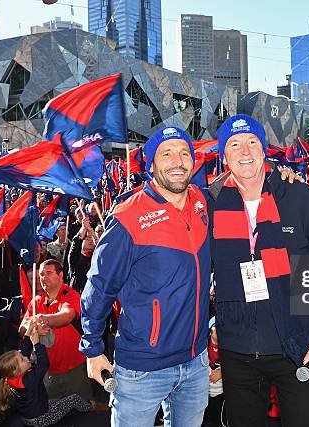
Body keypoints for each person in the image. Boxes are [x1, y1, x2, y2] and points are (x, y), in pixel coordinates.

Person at [209, 114, 309, 427]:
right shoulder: (211, 201)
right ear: (224, 155)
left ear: (264, 149)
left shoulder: (298, 195)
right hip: (238, 352)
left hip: (300, 346)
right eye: (235, 144)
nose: (245, 151)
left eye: (252, 142)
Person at [80, 126, 212, 427]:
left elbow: (244, 184)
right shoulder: (128, 215)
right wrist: (92, 347)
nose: (177, 161)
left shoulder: (203, 202)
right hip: (143, 369)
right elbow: (99, 285)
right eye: (166, 154)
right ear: (151, 165)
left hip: (196, 362)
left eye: (183, 153)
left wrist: (282, 176)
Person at [0, 318, 92, 426]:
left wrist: (28, 333)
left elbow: (24, 350)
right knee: (73, 399)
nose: (25, 357)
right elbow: (43, 364)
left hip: (33, 413)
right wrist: (37, 343)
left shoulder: (13, 377)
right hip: (41, 418)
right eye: (22, 359)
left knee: (59, 400)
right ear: (15, 371)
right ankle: (92, 410)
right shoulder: (28, 380)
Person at [20, 259, 92, 402]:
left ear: (60, 276)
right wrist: (32, 328)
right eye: (41, 274)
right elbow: (22, 328)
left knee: (81, 412)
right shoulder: (36, 301)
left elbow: (66, 315)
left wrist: (44, 319)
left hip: (75, 369)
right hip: (48, 371)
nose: (43, 278)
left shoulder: (71, 295)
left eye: (49, 273)